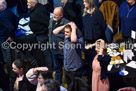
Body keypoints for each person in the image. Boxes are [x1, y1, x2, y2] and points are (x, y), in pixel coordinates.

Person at [82, 0, 107, 88]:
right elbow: (84, 26)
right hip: (88, 42)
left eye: (85, 1)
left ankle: (98, 83)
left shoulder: (97, 13)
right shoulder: (85, 12)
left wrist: (96, 35)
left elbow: (103, 26)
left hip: (96, 42)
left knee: (96, 64)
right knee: (89, 64)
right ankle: (90, 83)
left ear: (90, 2)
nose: (83, 3)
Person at [53, 22, 84, 89]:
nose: (65, 33)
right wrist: (64, 26)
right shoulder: (65, 37)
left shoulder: (79, 41)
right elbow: (55, 32)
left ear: (73, 32)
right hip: (67, 68)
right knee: (69, 87)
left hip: (75, 70)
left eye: (67, 32)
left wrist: (73, 28)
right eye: (65, 32)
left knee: (76, 88)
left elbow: (73, 40)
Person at [27, 0, 53, 69]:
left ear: (34, 3)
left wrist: (48, 32)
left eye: (29, 2)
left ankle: (50, 68)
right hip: (40, 34)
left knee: (46, 52)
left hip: (42, 35)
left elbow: (47, 22)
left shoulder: (39, 11)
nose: (27, 4)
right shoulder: (36, 8)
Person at [48, 7, 69, 84]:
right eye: (54, 14)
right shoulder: (51, 21)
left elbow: (77, 35)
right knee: (57, 69)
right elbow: (50, 34)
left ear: (61, 15)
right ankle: (58, 85)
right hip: (54, 50)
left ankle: (68, 85)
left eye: (56, 15)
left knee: (67, 69)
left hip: (63, 52)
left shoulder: (66, 23)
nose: (54, 16)